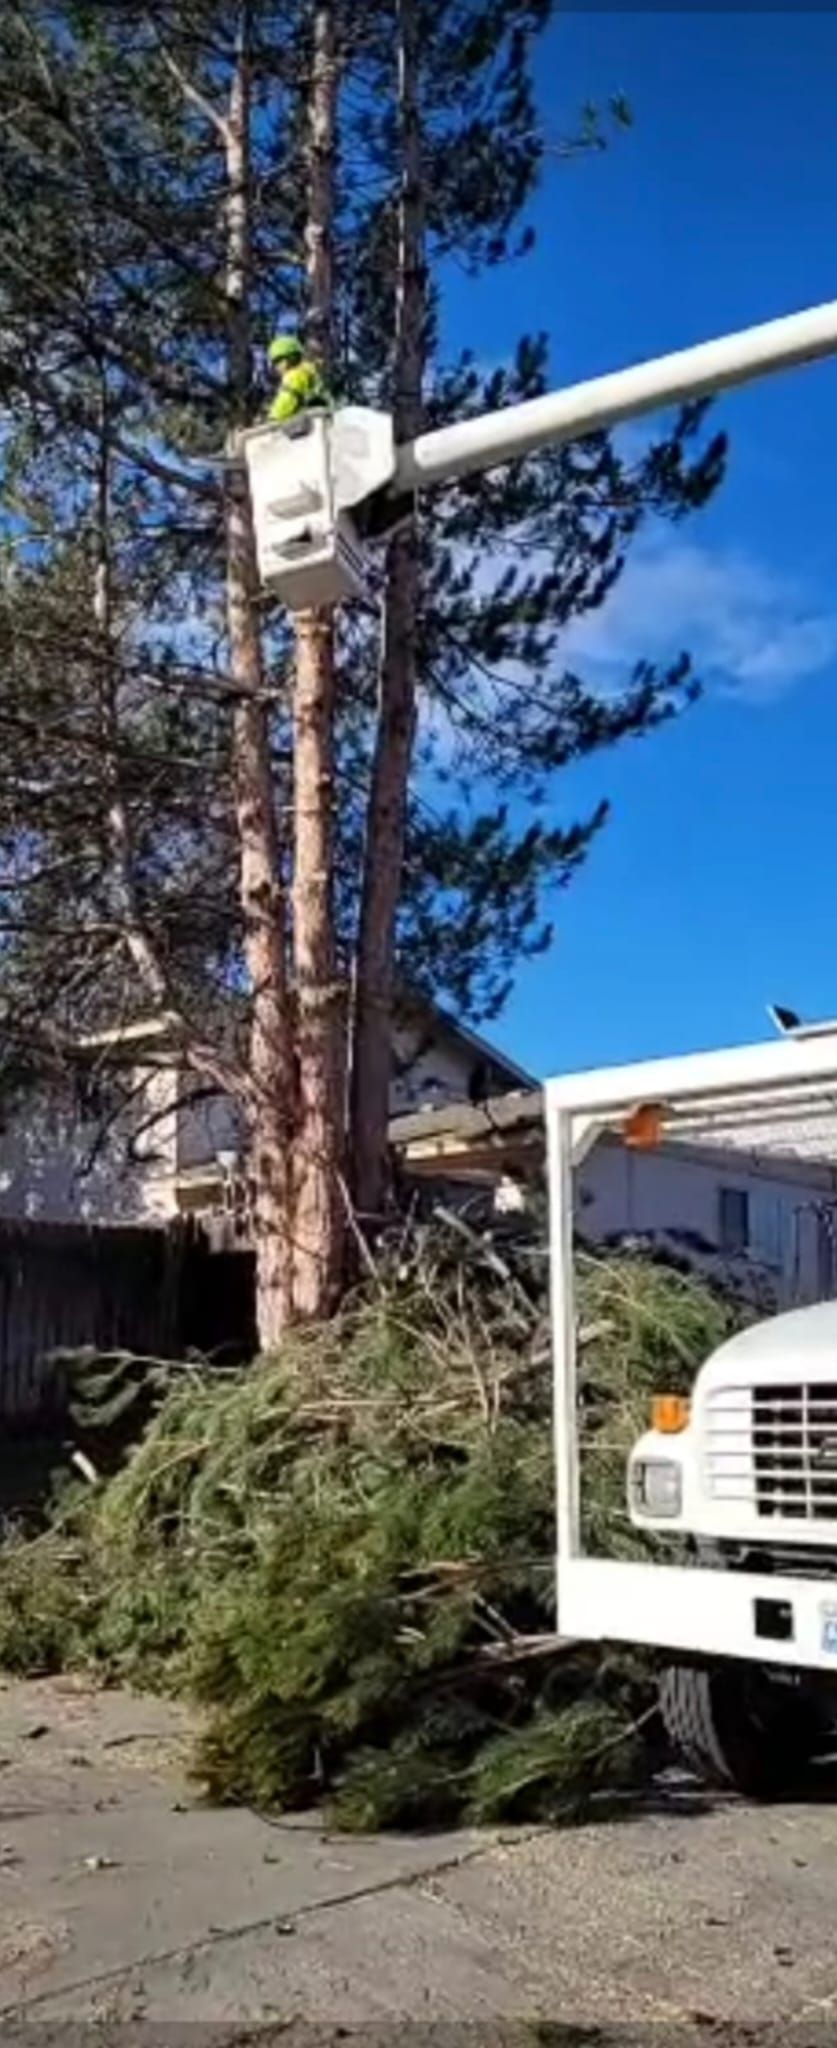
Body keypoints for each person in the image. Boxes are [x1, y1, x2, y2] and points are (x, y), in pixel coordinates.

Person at [268, 335, 332, 425]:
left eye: (276, 361)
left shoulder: (294, 376)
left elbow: (287, 399)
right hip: (317, 420)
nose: (276, 367)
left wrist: (273, 418)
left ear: (289, 359)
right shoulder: (309, 372)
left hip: (305, 425)